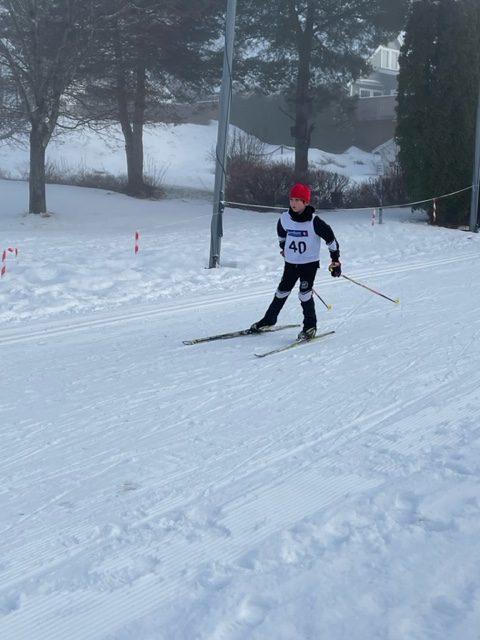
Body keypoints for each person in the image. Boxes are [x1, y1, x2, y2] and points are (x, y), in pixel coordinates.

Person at [250, 183, 341, 341]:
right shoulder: (285, 218)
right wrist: (284, 248)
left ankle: (310, 327)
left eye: (298, 200)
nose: (294, 203)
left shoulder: (314, 222)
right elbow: (281, 235)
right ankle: (269, 320)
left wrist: (335, 261)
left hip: (309, 264)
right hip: (291, 263)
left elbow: (331, 241)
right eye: (292, 199)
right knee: (281, 292)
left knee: (304, 294)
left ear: (306, 202)